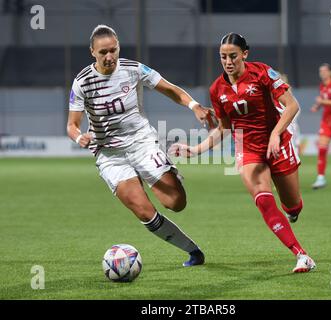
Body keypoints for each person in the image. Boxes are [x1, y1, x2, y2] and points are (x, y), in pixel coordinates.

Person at [170, 33, 316, 273]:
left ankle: (292, 213)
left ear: (244, 54)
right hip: (248, 149)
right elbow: (224, 128)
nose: (228, 61)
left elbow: (292, 106)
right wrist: (194, 150)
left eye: (233, 56)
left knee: (292, 205)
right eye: (223, 57)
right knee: (263, 201)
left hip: (277, 143)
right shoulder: (217, 89)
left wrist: (276, 133)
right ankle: (302, 255)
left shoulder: (263, 73)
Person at [66, 25, 209, 267]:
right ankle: (193, 252)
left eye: (113, 50)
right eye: (103, 52)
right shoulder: (82, 82)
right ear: (92, 52)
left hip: (142, 143)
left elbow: (170, 89)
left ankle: (155, 173)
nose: (109, 57)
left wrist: (194, 106)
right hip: (110, 155)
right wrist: (79, 137)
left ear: (118, 47)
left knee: (176, 202)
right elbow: (72, 124)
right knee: (145, 212)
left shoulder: (133, 69)